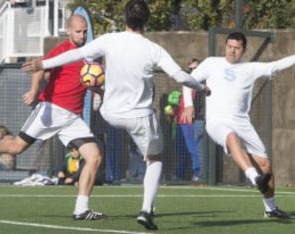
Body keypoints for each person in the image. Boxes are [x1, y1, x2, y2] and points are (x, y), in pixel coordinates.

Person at [22, 0, 208, 230]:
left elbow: (75, 54)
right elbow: (181, 77)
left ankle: (85, 200)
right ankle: (146, 210)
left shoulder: (110, 40)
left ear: (125, 20)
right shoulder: (153, 49)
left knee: (105, 132)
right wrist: (201, 87)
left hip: (110, 113)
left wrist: (43, 63)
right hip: (139, 117)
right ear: (146, 21)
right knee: (155, 159)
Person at [0, 15, 105, 221]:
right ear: (68, 31)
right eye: (78, 31)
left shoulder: (90, 55)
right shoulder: (61, 51)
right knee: (17, 147)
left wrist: (101, 91)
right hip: (50, 110)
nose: (82, 35)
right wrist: (34, 90)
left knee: (94, 157)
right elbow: (40, 67)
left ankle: (81, 209)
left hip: (72, 118)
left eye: (85, 31)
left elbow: (89, 80)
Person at [182, 31, 294, 218]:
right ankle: (253, 177)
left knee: (266, 164)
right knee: (231, 137)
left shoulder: (250, 68)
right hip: (217, 121)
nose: (232, 51)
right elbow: (187, 82)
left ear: (244, 50)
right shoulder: (211, 63)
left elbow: (276, 66)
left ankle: (270, 209)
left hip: (242, 122)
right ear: (225, 46)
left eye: (237, 48)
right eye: (229, 47)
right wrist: (188, 105)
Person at [173, 58, 202, 182]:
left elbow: (197, 105)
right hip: (180, 123)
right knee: (181, 151)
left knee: (194, 149)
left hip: (190, 122)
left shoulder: (199, 86)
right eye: (190, 69)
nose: (193, 71)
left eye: (195, 68)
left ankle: (198, 174)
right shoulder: (185, 85)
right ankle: (178, 175)